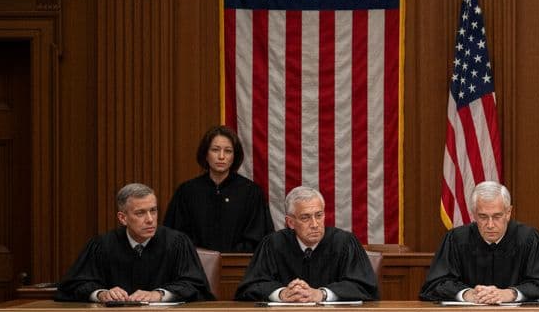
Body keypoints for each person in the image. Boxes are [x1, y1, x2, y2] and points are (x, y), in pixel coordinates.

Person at [55, 183, 213, 302]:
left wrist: (159, 294)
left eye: (153, 210)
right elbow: (73, 285)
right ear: (123, 218)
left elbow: (195, 286)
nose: (150, 219)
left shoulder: (177, 243)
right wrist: (101, 294)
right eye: (140, 213)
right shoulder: (102, 245)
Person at [419, 182, 539, 304]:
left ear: (508, 213)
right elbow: (434, 285)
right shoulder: (456, 239)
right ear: (474, 214)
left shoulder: (529, 239)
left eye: (497, 216)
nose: (490, 225)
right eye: (483, 217)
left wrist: (511, 294)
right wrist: (467, 294)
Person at [235, 186, 378, 302]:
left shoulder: (344, 243)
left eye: (319, 215)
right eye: (305, 218)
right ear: (290, 222)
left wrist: (321, 294)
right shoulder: (273, 244)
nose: (315, 224)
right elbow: (250, 287)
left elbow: (364, 287)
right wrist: (282, 294)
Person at [162, 125, 274, 252]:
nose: (221, 156)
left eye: (228, 151)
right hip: (195, 262)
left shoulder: (251, 192)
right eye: (215, 150)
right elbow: (174, 238)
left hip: (240, 263)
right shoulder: (187, 192)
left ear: (235, 156)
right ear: (205, 154)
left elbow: (260, 239)